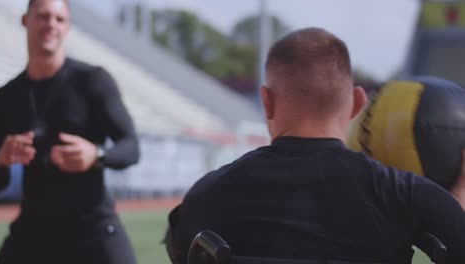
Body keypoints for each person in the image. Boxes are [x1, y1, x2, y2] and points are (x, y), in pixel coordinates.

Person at [166, 28, 465, 263]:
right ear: (357, 103)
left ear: (266, 101)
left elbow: (177, 247)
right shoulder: (403, 193)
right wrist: (454, 203)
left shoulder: (207, 193)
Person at [0, 0, 140, 263]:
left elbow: (131, 147)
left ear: (67, 27)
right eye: (42, 16)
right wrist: (0, 159)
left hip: (93, 226)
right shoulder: (6, 97)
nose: (51, 24)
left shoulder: (92, 81)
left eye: (59, 19)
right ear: (25, 20)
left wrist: (96, 155)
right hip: (34, 228)